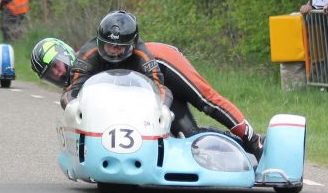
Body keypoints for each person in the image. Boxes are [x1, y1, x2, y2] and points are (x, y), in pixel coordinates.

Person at [31, 37, 265, 158]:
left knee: (206, 100)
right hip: (150, 93)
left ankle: (252, 139)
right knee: (187, 136)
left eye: (57, 65)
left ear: (66, 53)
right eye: (50, 74)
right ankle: (234, 148)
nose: (58, 73)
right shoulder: (73, 88)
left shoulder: (87, 57)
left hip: (162, 63)